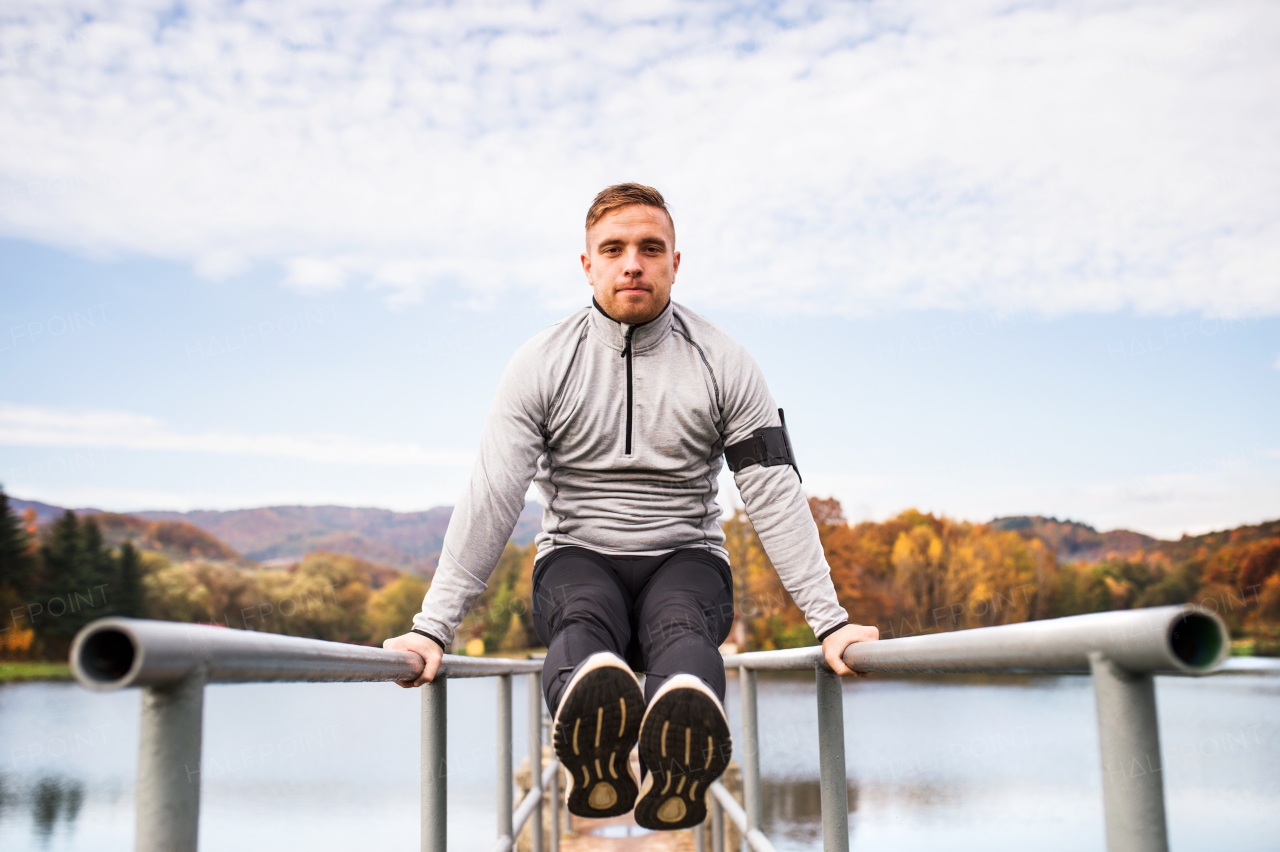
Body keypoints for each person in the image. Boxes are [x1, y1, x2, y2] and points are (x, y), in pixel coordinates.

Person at [384, 183, 878, 830]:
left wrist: (830, 621)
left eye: (651, 248)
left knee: (681, 628)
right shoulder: (540, 364)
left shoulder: (725, 362)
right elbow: (493, 495)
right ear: (587, 264)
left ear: (676, 261)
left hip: (686, 556)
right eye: (613, 249)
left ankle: (678, 758)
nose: (633, 263)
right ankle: (597, 757)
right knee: (583, 622)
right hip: (577, 556)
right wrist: (432, 627)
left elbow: (773, 492)